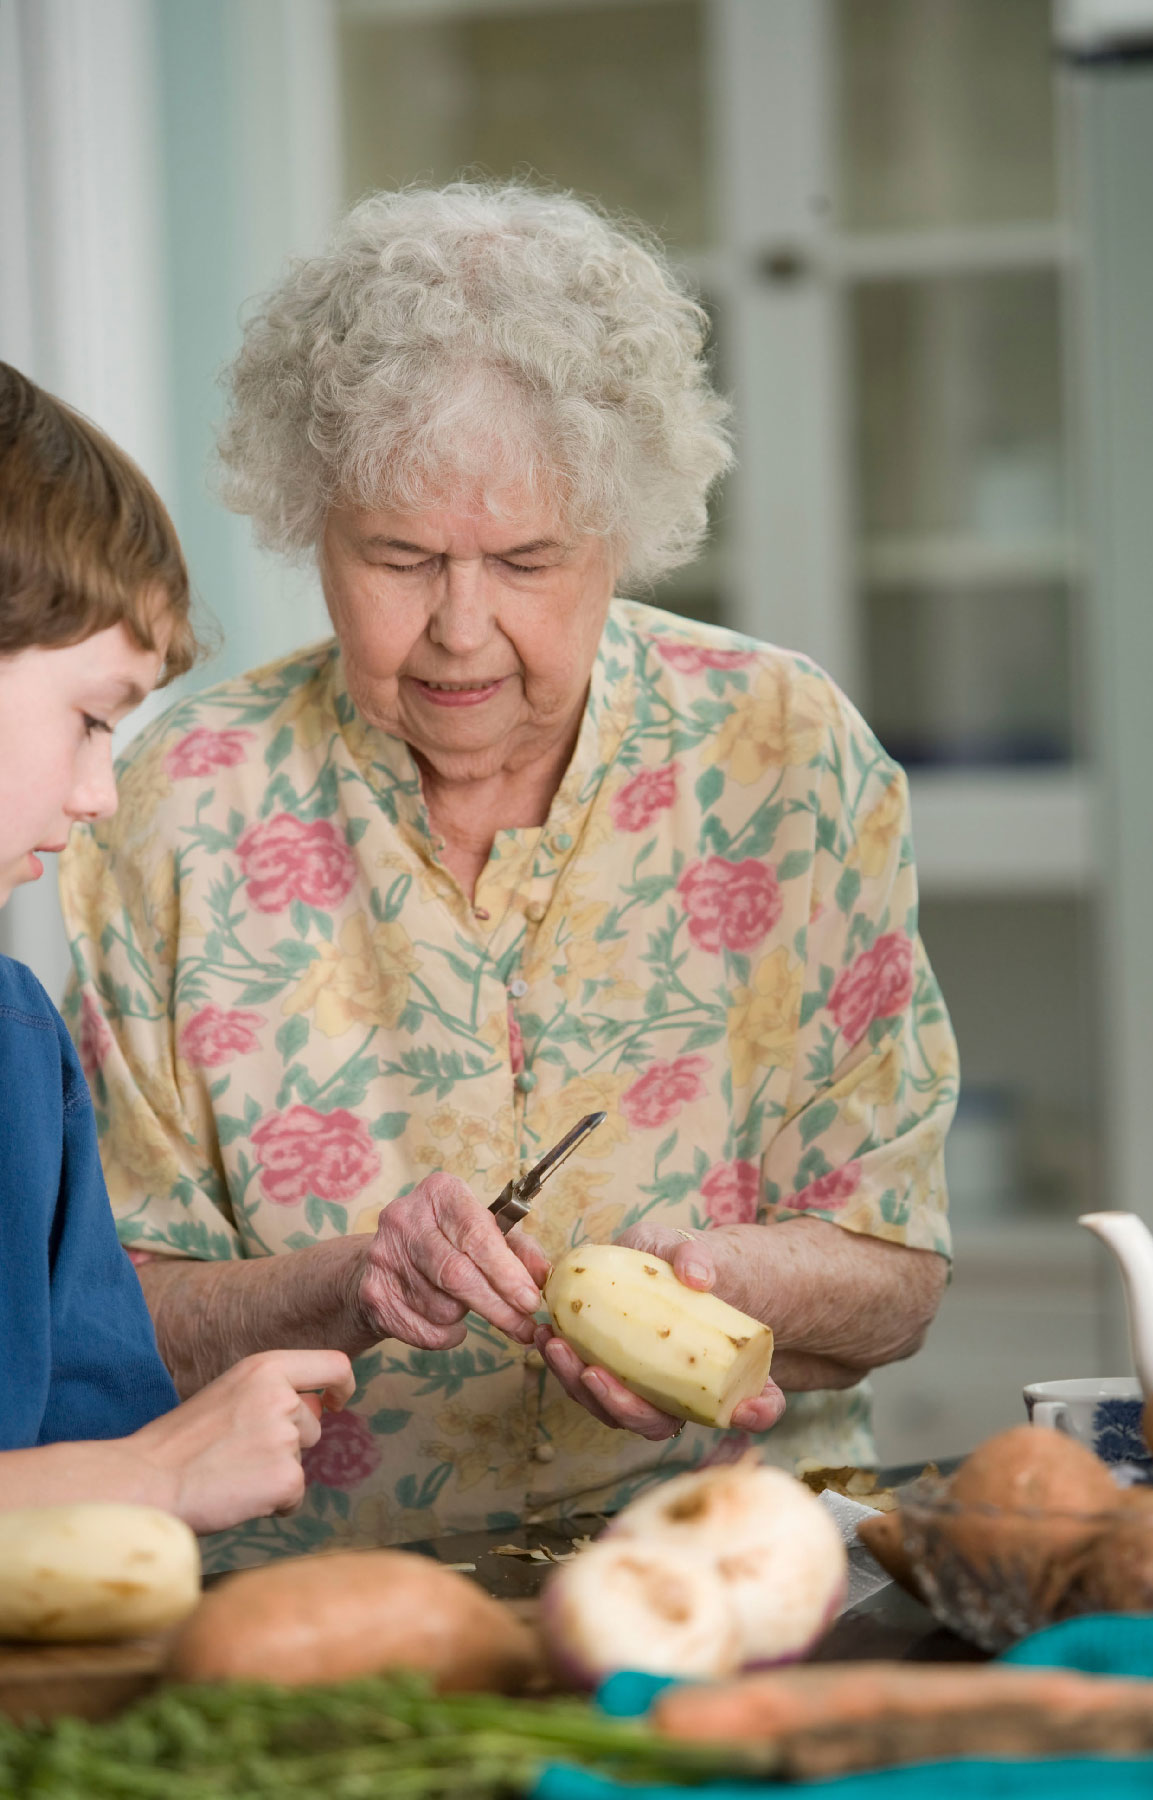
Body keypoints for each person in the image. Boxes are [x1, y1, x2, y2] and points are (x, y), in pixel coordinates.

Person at [59, 182, 958, 1569]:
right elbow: (115, 1328)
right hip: (325, 1602)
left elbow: (896, 1274)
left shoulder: (785, 751)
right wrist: (350, 1278)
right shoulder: (171, 802)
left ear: (625, 532)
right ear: (313, 529)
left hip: (747, 1570)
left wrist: (727, 1283)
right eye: (400, 558)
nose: (462, 630)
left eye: (528, 560)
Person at [0, 362, 353, 1533]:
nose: (102, 793)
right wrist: (153, 1474)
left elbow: (88, 1464)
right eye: (92, 718)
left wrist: (159, 1460)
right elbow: (117, 1478)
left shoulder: (17, 1048)